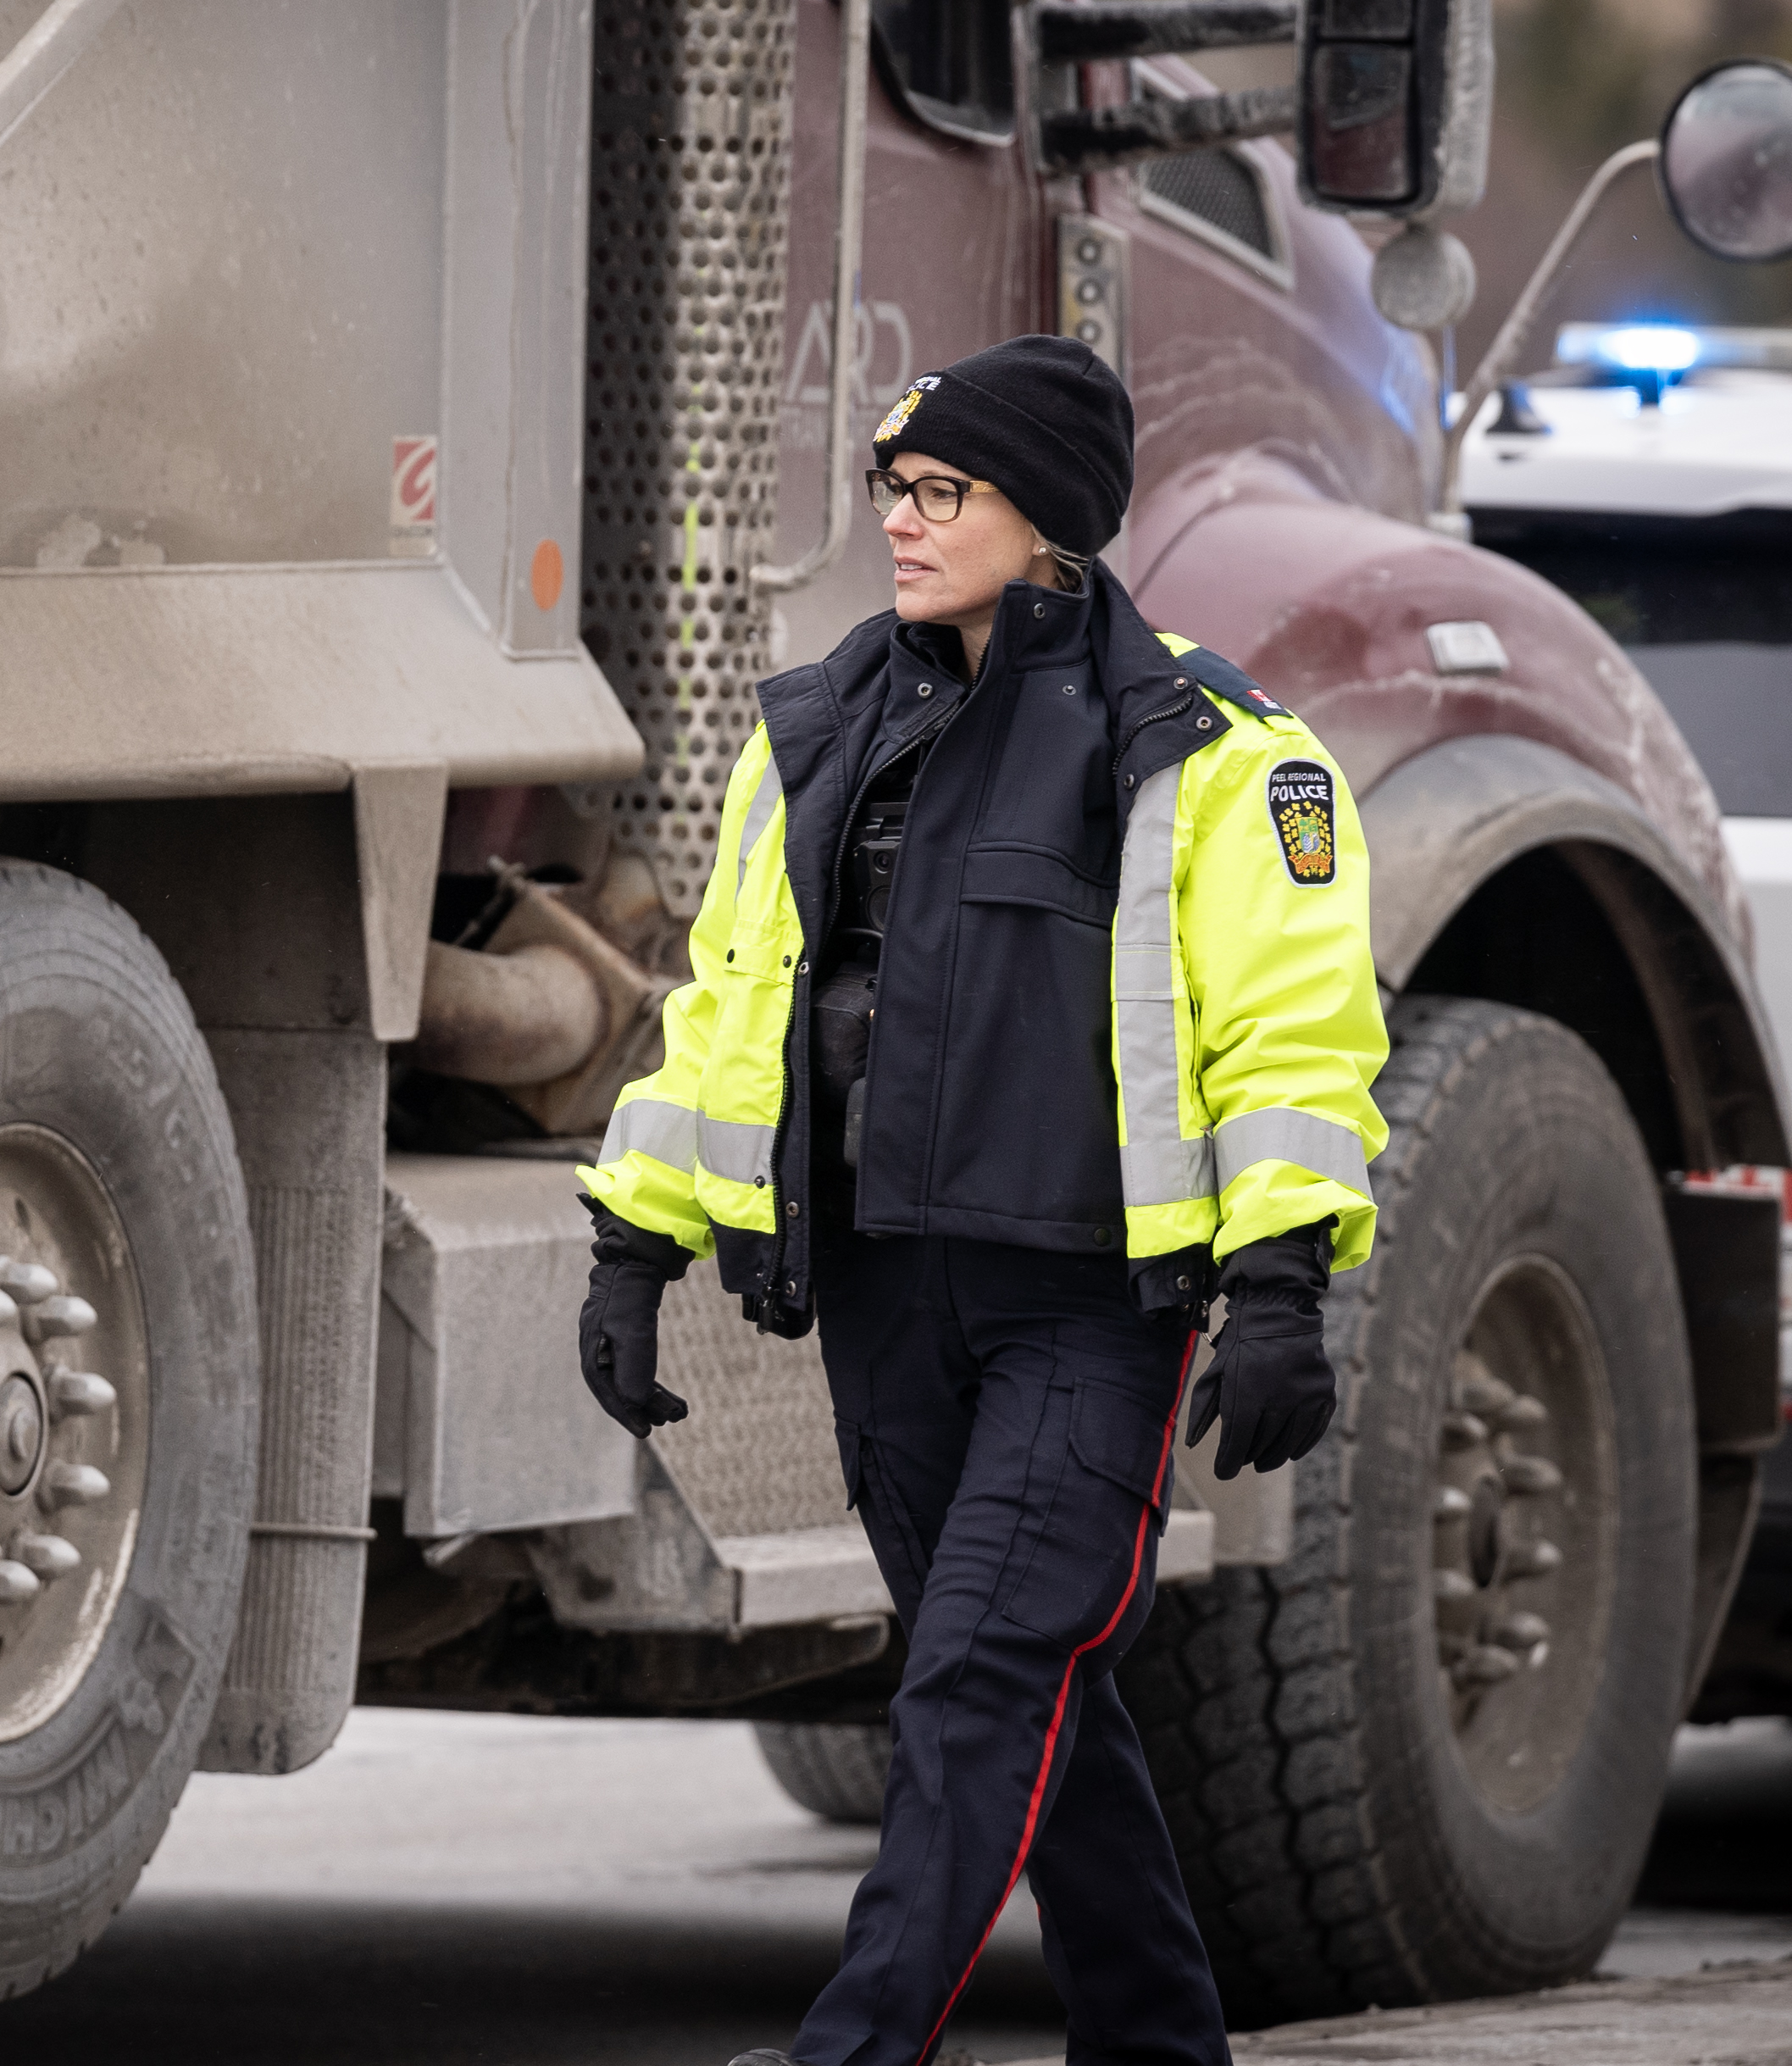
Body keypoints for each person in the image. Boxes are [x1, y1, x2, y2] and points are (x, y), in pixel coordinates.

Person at [570, 335, 1389, 2066]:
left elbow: (1292, 1039)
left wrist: (1287, 1284)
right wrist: (632, 1238)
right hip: (887, 1305)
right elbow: (730, 1006)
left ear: (1052, 521)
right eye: (894, 491)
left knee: (970, 1693)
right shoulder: (814, 732)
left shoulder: (1221, 754)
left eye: (946, 492)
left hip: (1088, 1315)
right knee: (1034, 1696)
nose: (903, 522)